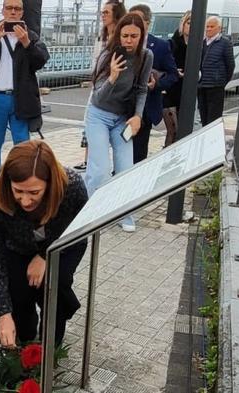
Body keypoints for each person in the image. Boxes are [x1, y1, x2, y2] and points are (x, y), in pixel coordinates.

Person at [0, 140, 87, 346]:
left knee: (55, 289)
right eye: (18, 191)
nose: (25, 201)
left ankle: (51, 345)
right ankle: (25, 339)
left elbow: (80, 230)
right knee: (18, 297)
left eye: (34, 192)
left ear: (50, 183)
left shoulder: (71, 186)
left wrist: (46, 255)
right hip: (17, 248)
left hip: (62, 246)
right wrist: (3, 314)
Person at [84, 13, 151, 231]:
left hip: (123, 118)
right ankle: (91, 211)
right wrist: (112, 76)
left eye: (134, 36)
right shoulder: (107, 55)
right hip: (98, 114)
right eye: (125, 36)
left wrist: (138, 116)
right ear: (118, 35)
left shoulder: (146, 56)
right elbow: (98, 97)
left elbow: (141, 89)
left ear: (142, 36)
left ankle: (125, 214)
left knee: (126, 168)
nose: (129, 41)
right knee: (100, 168)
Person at [0, 0, 49, 181]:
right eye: (9, 8)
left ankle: (22, 181)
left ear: (22, 13)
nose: (13, 12)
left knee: (22, 145)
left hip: (19, 99)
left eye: (17, 9)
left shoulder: (30, 35)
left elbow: (40, 61)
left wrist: (27, 42)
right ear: (3, 10)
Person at [75, 0, 126, 171]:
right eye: (102, 12)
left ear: (116, 15)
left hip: (114, 91)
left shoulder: (121, 39)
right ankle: (89, 162)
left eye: (106, 12)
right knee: (90, 126)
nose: (102, 15)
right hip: (98, 88)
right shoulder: (102, 36)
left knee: (119, 141)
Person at [129, 4, 178, 164]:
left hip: (146, 108)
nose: (132, 22)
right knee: (122, 149)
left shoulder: (160, 46)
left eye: (137, 19)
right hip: (122, 106)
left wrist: (156, 84)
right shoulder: (123, 43)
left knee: (138, 153)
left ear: (147, 22)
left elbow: (172, 75)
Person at [197, 16, 233, 126]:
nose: (208, 29)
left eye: (211, 27)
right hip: (202, 86)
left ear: (219, 28)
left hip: (216, 87)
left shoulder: (225, 43)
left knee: (213, 119)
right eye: (207, 26)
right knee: (203, 116)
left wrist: (221, 81)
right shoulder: (202, 43)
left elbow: (230, 65)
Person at [163, 11, 190, 147]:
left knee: (184, 133)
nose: (191, 27)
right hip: (170, 92)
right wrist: (174, 71)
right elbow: (162, 66)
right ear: (183, 24)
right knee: (173, 131)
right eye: (189, 23)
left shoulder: (198, 45)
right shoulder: (172, 43)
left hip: (186, 93)